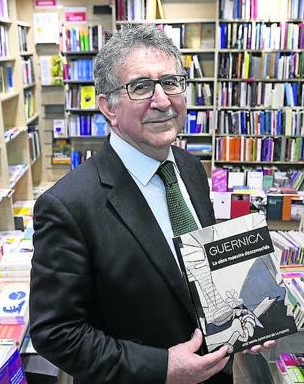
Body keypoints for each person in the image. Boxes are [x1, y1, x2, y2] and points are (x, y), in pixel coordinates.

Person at [29, 24, 274, 384]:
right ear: (108, 107)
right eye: (140, 87)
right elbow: (56, 332)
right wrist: (160, 367)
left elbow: (203, 268)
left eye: (171, 82)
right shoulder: (68, 206)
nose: (162, 101)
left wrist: (249, 317)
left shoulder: (190, 169)